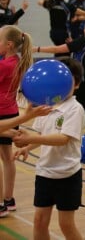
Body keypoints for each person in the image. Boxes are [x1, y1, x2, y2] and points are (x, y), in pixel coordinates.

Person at [13, 58, 85, 239]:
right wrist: (28, 147)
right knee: (39, 221)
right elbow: (42, 135)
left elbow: (63, 139)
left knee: (66, 224)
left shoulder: (75, 109)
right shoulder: (47, 106)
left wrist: (31, 138)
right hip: (45, 172)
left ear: (75, 84)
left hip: (67, 175)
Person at [0, 25, 35, 216]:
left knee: (4, 159)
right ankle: (9, 200)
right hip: (12, 113)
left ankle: (0, 204)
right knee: (7, 158)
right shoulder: (17, 62)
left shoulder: (5, 65)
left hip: (2, 115)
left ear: (9, 44)